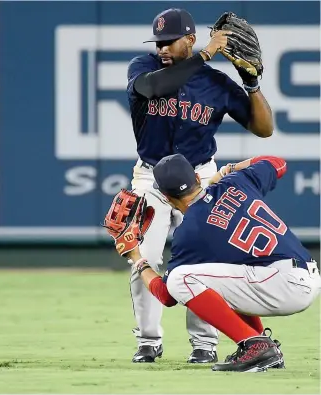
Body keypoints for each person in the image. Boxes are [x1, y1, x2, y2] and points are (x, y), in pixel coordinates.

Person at [125, 7, 274, 363]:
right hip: (151, 176)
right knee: (144, 257)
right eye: (158, 41)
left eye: (170, 41)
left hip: (202, 177)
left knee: (207, 262)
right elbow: (155, 87)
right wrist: (205, 54)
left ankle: (204, 345)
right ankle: (148, 340)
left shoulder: (216, 84)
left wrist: (251, 85)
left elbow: (264, 128)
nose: (162, 48)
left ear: (189, 40)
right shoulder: (142, 69)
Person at [120, 153, 320, 372]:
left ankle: (256, 346)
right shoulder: (236, 182)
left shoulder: (191, 232)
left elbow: (167, 296)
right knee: (222, 274)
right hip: (303, 273)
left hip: (283, 283)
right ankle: (261, 344)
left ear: (166, 197)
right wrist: (228, 170)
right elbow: (278, 163)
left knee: (180, 279)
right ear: (197, 177)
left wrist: (136, 257)